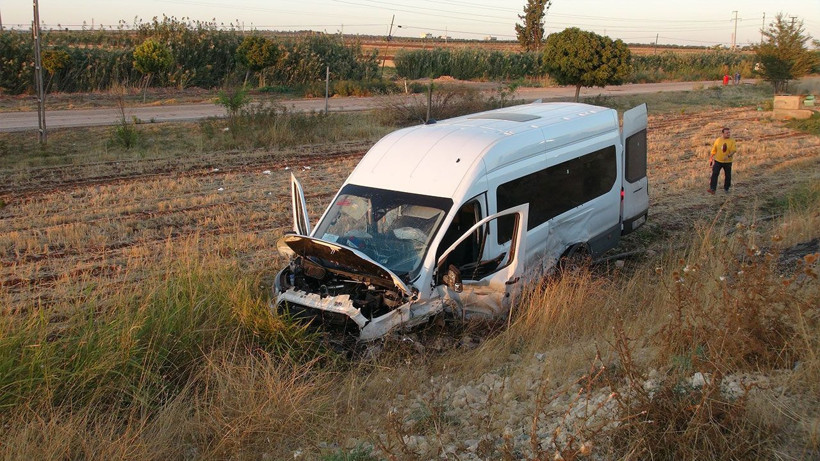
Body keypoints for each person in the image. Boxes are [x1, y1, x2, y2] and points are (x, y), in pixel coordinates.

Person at [708, 127, 736, 194]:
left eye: (729, 133)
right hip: (718, 160)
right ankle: (712, 189)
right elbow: (714, 149)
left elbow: (733, 150)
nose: (728, 134)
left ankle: (726, 189)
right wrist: (711, 157)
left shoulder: (732, 140)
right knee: (715, 174)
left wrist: (728, 156)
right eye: (726, 133)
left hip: (728, 161)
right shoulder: (718, 140)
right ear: (722, 133)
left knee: (728, 175)